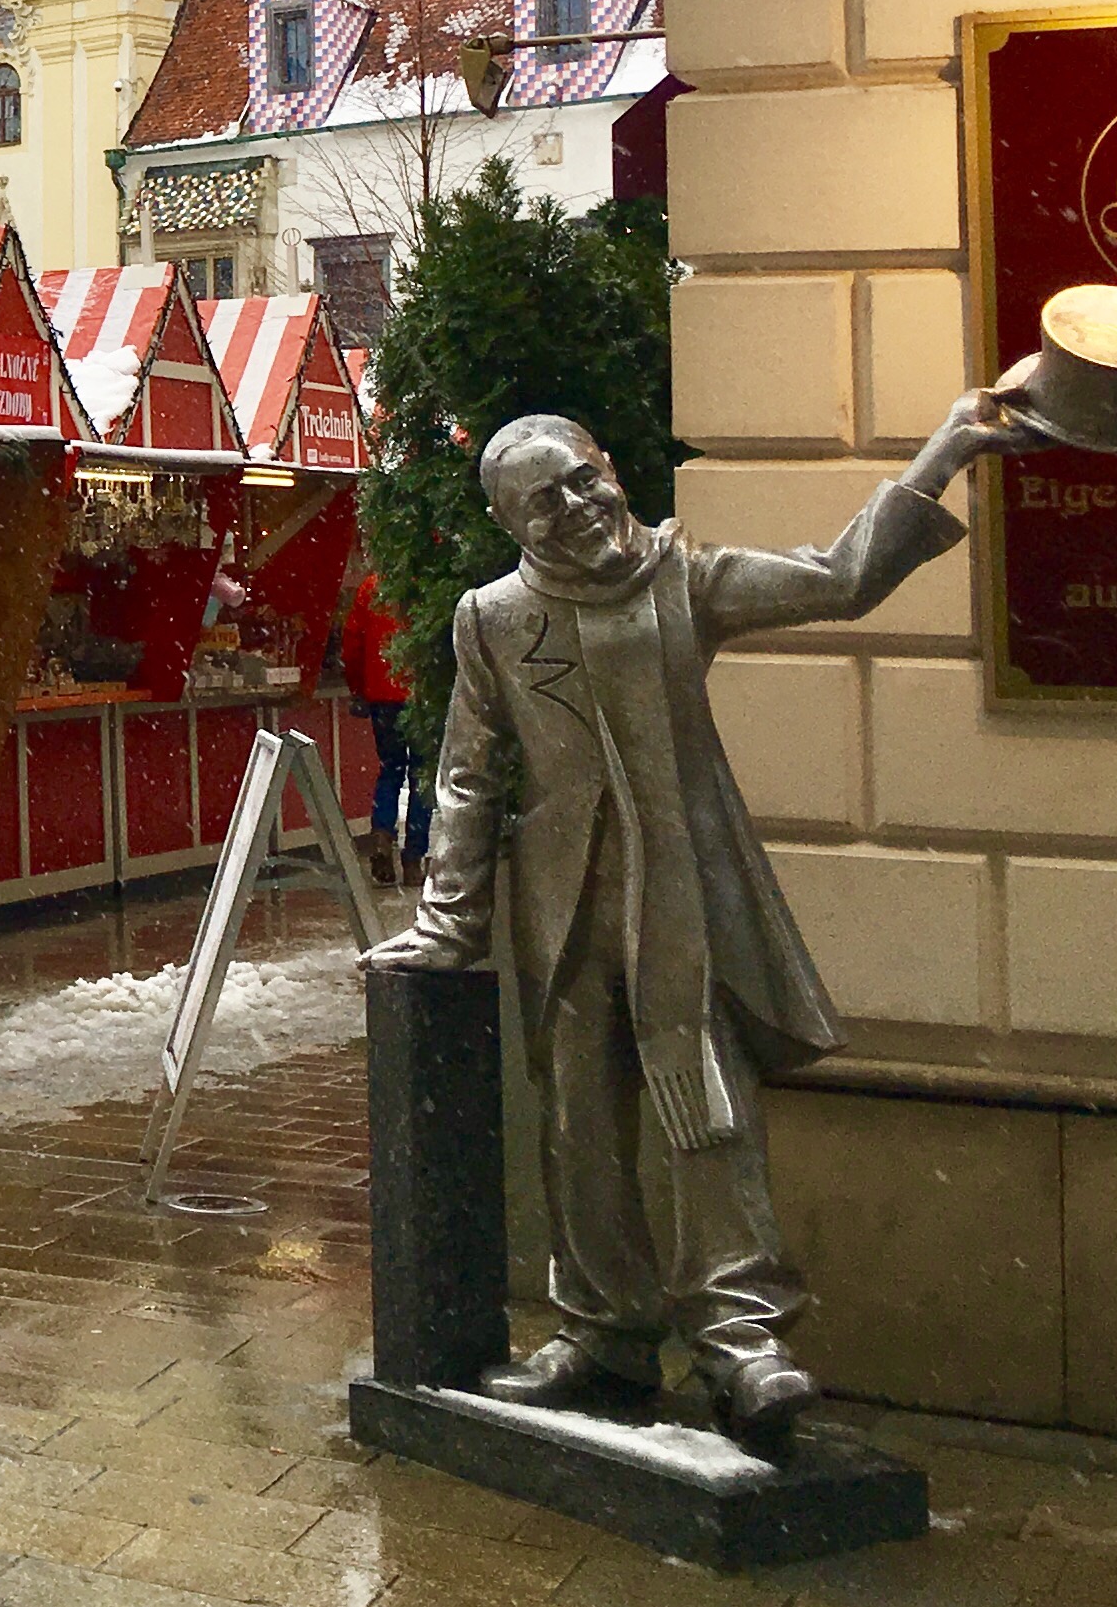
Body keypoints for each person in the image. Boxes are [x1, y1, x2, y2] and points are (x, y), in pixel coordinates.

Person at [367, 390, 1029, 1448]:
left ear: (613, 469)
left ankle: (743, 1339)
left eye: (589, 476)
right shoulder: (491, 618)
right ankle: (603, 1330)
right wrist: (451, 920)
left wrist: (944, 449)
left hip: (682, 900)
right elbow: (467, 777)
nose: (580, 505)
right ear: (511, 524)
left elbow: (841, 579)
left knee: (709, 1111)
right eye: (546, 501)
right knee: (578, 1125)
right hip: (562, 909)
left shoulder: (688, 578)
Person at [338, 560, 421, 888]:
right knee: (421, 776)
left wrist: (359, 688)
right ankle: (414, 858)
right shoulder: (425, 588)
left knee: (390, 770)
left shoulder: (372, 587)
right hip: (421, 695)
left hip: (382, 695)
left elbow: (352, 643)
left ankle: (382, 834)